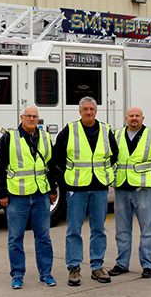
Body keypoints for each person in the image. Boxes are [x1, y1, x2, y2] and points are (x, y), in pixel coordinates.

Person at [52, 96, 119, 287]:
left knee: (98, 229)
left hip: (99, 187)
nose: (88, 112)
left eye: (91, 109)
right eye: (85, 109)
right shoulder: (69, 130)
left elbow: (114, 155)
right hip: (76, 188)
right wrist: (69, 174)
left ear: (96, 111)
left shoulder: (106, 130)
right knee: (74, 230)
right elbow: (57, 158)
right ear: (80, 112)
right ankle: (74, 268)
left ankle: (97, 266)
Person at [0, 105, 58, 290]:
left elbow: (51, 166)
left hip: (40, 195)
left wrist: (53, 190)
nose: (31, 119)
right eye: (28, 116)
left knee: (43, 236)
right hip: (17, 196)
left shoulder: (45, 138)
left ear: (38, 119)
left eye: (35, 116)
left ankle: (46, 273)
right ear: (21, 117)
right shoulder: (9, 138)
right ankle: (17, 275)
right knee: (15, 237)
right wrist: (2, 193)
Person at [108, 106, 151, 279]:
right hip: (122, 189)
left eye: (137, 116)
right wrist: (113, 179)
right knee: (122, 230)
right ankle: (122, 264)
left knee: (147, 230)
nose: (134, 118)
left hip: (144, 190)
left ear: (143, 118)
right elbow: (108, 159)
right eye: (131, 116)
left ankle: (147, 265)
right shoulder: (116, 135)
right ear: (126, 118)